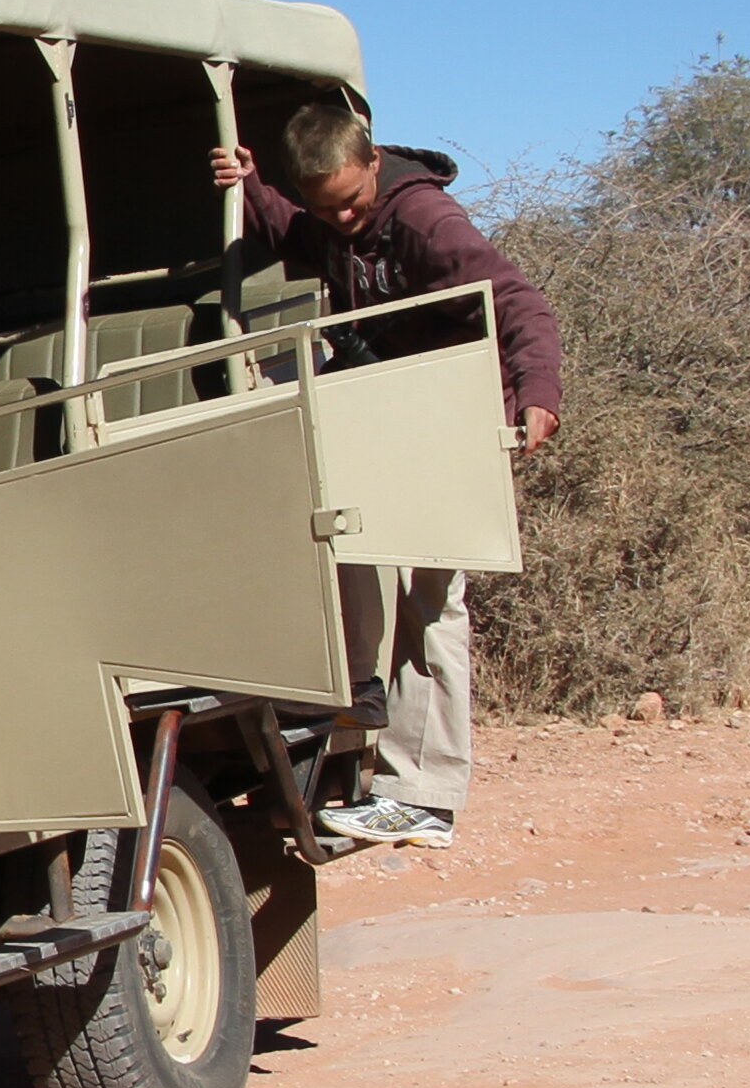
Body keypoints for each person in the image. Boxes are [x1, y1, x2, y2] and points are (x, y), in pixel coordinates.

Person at [202, 104, 563, 851]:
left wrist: (537, 396)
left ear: (372, 162)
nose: (341, 218)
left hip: (450, 414)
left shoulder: (425, 220)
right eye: (324, 206)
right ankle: (358, 694)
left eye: (351, 202)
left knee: (432, 598)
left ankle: (423, 795)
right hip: (386, 410)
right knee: (344, 538)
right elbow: (298, 236)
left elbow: (519, 302)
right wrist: (252, 187)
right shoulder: (333, 218)